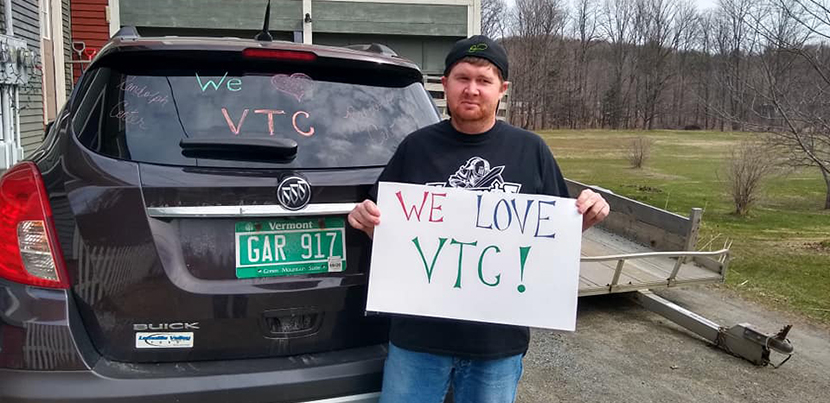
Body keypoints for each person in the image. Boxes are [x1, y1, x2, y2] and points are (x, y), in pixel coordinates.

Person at [348, 35, 610, 403]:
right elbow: (384, 228)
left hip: (496, 344)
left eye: (484, 81)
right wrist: (364, 217)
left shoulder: (531, 150)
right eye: (462, 78)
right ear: (445, 84)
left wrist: (586, 216)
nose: (472, 89)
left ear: (502, 89)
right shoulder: (415, 147)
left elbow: (553, 238)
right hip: (418, 339)